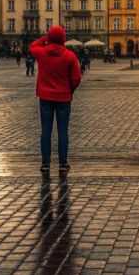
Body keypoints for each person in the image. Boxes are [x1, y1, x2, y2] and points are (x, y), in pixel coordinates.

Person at [28, 26, 81, 175]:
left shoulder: (42, 53)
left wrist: (46, 38)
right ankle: (63, 163)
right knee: (63, 131)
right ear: (63, 39)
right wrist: (69, 90)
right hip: (63, 98)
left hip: (45, 97)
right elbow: (77, 78)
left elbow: (32, 46)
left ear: (50, 38)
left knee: (46, 130)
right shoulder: (69, 55)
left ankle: (45, 163)